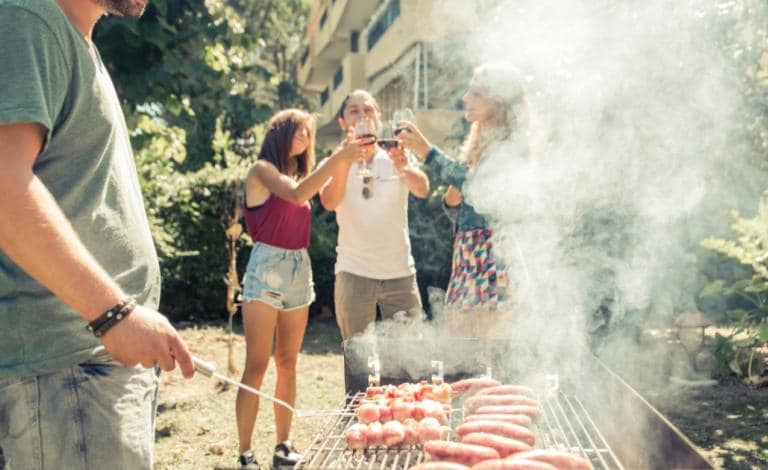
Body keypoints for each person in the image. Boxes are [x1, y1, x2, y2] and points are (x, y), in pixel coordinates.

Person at [0, 0, 196, 469]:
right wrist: (112, 314)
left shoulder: (73, 38)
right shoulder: (30, 19)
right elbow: (6, 189)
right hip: (68, 371)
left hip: (86, 371)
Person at [236, 109, 368, 469]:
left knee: (288, 363)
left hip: (298, 267)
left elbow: (315, 191)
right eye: (299, 131)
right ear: (279, 132)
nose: (305, 139)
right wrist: (336, 158)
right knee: (257, 365)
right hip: (266, 268)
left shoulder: (296, 175)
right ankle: (246, 454)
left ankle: (283, 446)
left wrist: (342, 161)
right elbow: (296, 195)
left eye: (309, 133)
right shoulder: (262, 170)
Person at [398, 63, 532, 337]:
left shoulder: (510, 147)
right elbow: (460, 206)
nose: (465, 98)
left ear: (498, 100)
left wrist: (427, 152)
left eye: (476, 94)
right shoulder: (480, 144)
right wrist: (454, 198)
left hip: (492, 253)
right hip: (469, 251)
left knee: (485, 353)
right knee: (461, 349)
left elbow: (479, 188)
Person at [319, 90, 430, 341]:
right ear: (342, 122)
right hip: (353, 272)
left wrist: (403, 167)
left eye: (368, 110)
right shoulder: (335, 161)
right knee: (357, 363)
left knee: (408, 362)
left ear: (379, 119)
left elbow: (422, 189)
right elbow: (329, 201)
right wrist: (345, 161)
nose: (362, 116)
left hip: (400, 272)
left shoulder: (397, 155)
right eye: (354, 111)